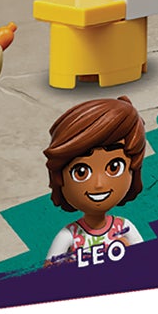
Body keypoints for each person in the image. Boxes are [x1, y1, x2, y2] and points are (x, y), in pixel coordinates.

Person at [42, 96, 146, 264]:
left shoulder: (124, 227)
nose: (99, 184)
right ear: (60, 177)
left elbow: (146, 260)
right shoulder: (69, 235)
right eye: (81, 172)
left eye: (114, 167)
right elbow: (49, 270)